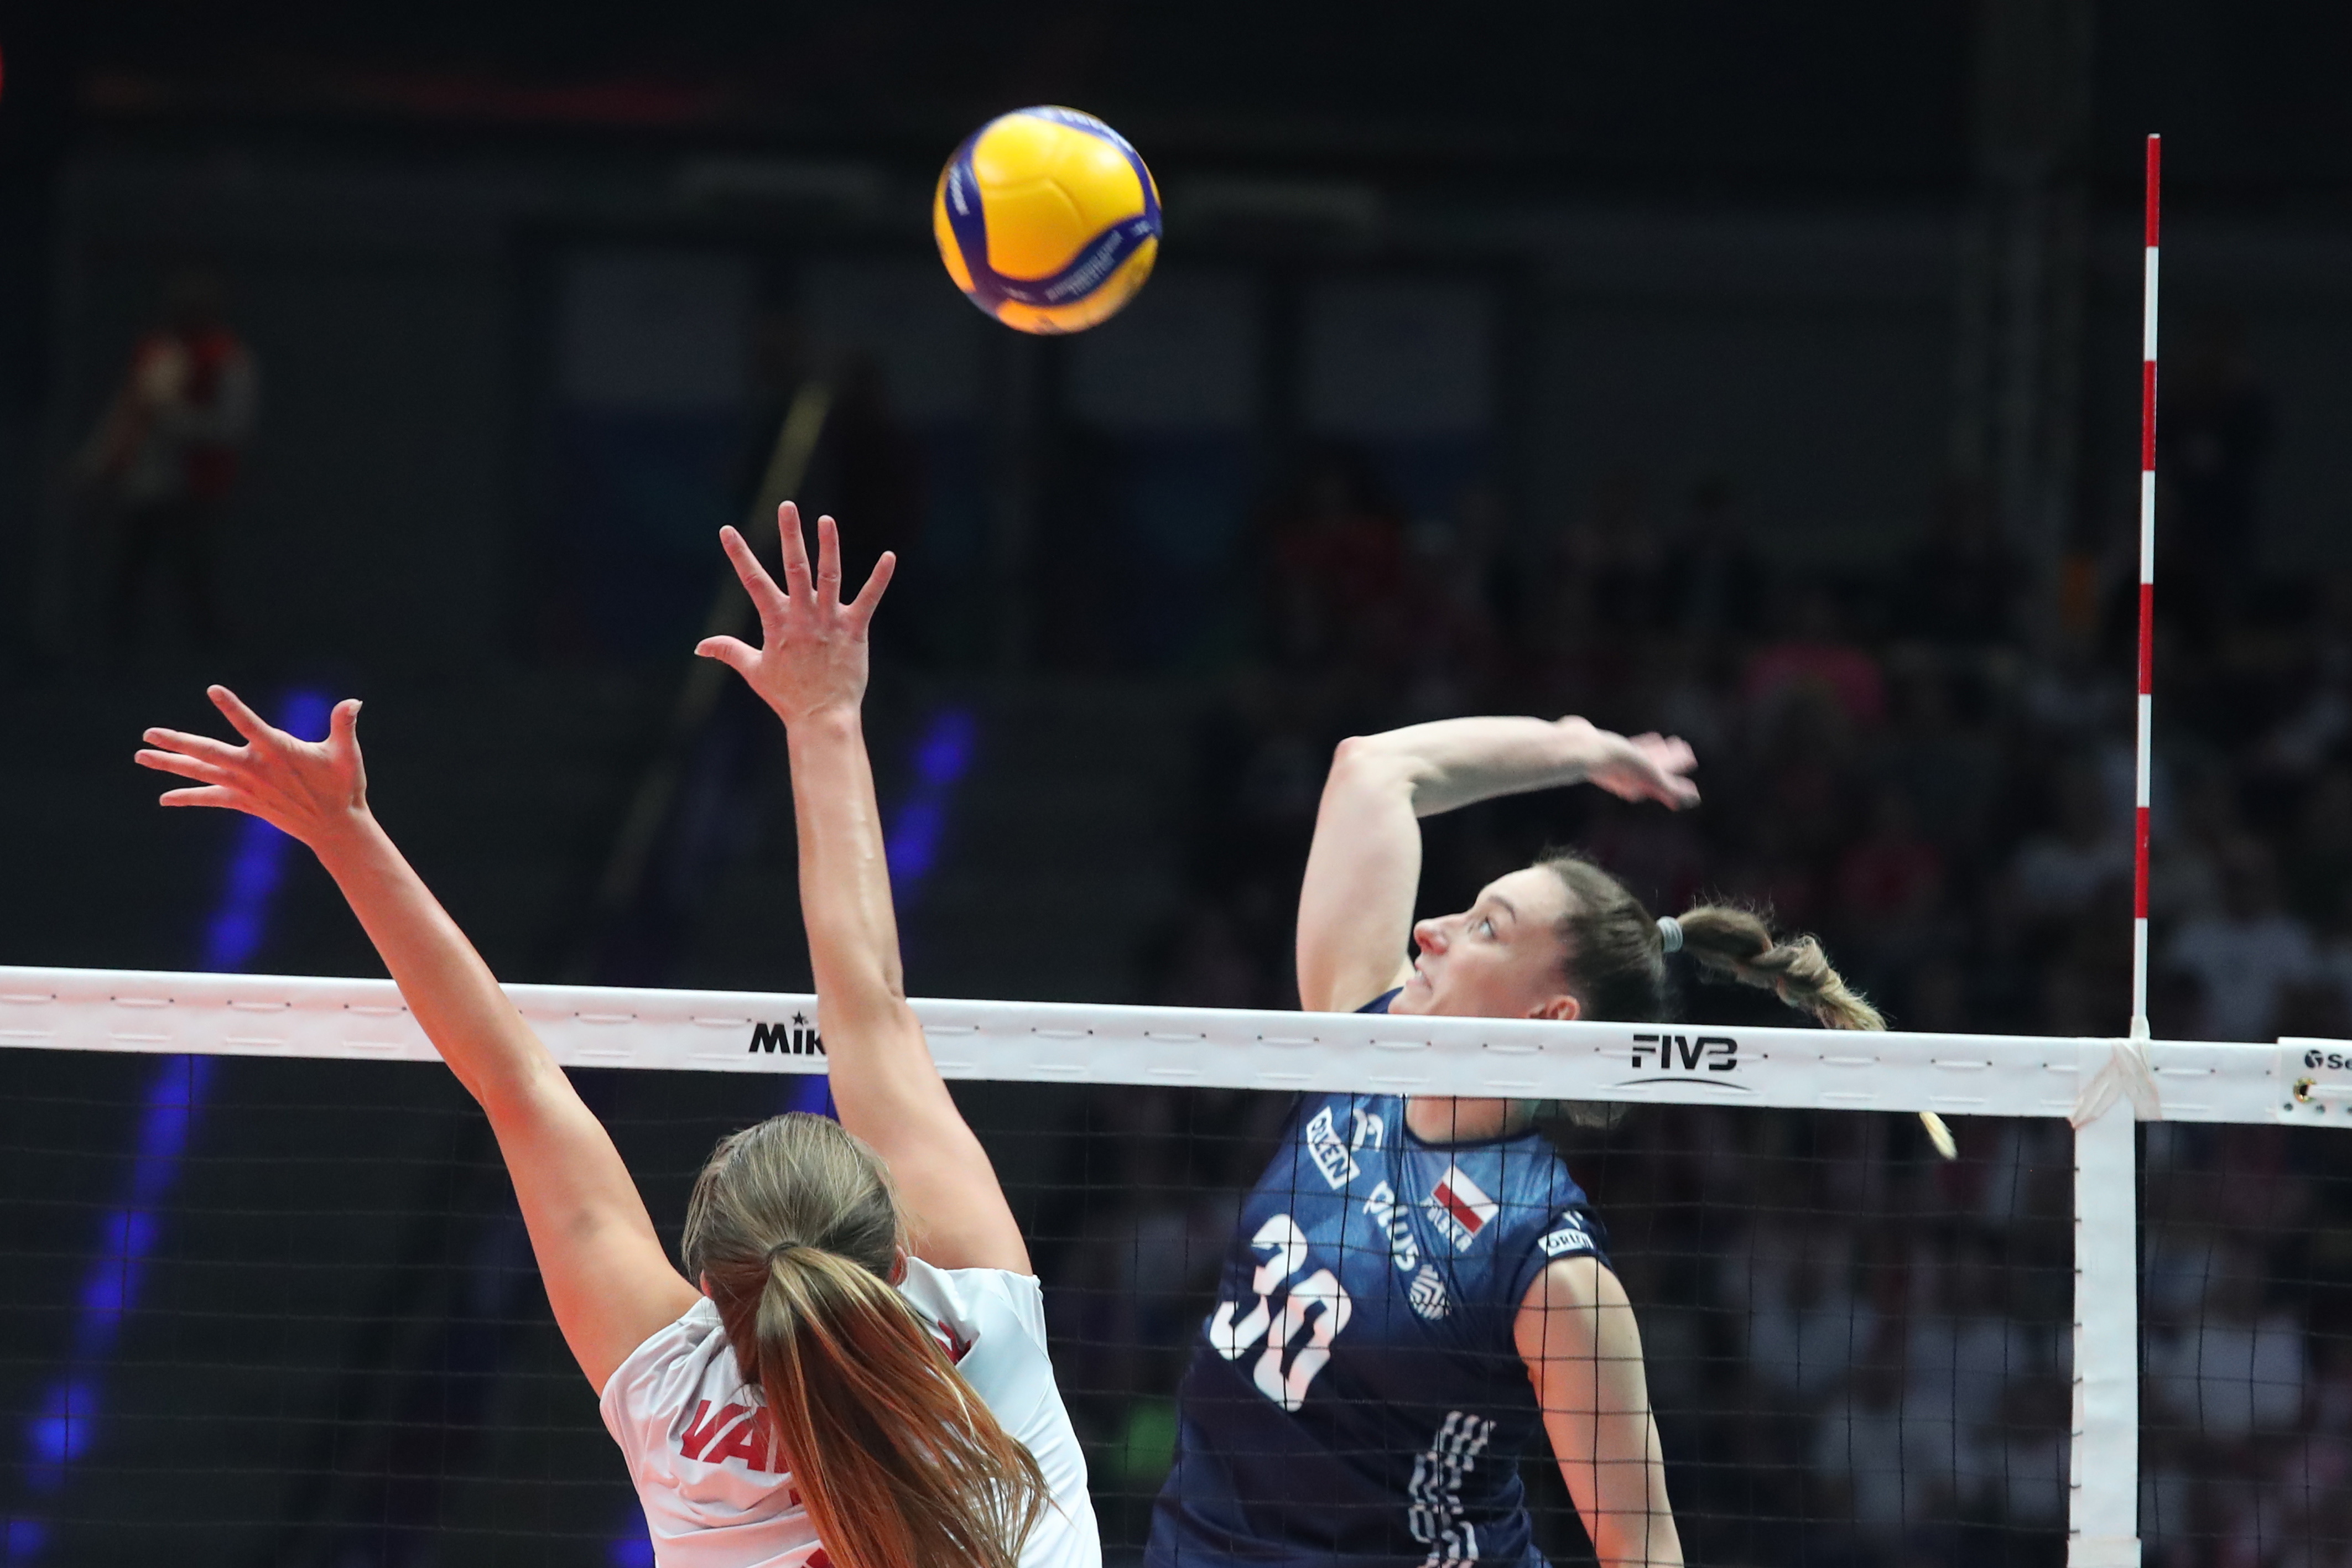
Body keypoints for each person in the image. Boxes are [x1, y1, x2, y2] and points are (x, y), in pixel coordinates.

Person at [133, 503, 1099, 1568]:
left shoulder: (672, 1394)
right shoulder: (980, 1314)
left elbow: (514, 1081)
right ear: (898, 1242)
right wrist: (826, 717)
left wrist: (342, 833)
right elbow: (865, 994)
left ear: (713, 1290)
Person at [1147, 715, 1886, 1567]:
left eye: (1485, 927)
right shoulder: (1362, 1047)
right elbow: (1375, 767)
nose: (1432, 928)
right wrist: (1579, 749)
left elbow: (1641, 1548)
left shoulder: (1547, 1259)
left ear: (1549, 1015)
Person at [77, 269, 258, 646]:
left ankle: (208, 659)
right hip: (146, 481)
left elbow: (230, 426)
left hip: (194, 485)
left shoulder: (226, 358)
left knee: (195, 576)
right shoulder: (156, 351)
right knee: (129, 571)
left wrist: (174, 418)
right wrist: (97, 460)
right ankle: (116, 657)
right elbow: (128, 409)